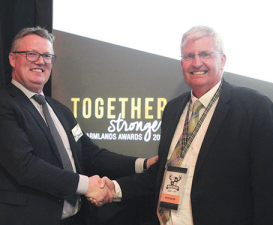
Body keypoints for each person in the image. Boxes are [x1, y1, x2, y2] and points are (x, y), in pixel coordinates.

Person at [0, 27, 158, 225]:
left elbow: (91, 155)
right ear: (13, 59)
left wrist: (143, 164)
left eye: (47, 56)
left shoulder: (60, 110)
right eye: (32, 54)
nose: (40, 61)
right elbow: (25, 166)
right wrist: (85, 185)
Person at [97, 25, 273, 225]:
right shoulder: (173, 109)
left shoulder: (253, 107)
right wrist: (114, 189)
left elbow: (266, 188)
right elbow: (162, 172)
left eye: (205, 54)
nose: (197, 63)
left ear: (222, 60)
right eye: (189, 56)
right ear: (181, 62)